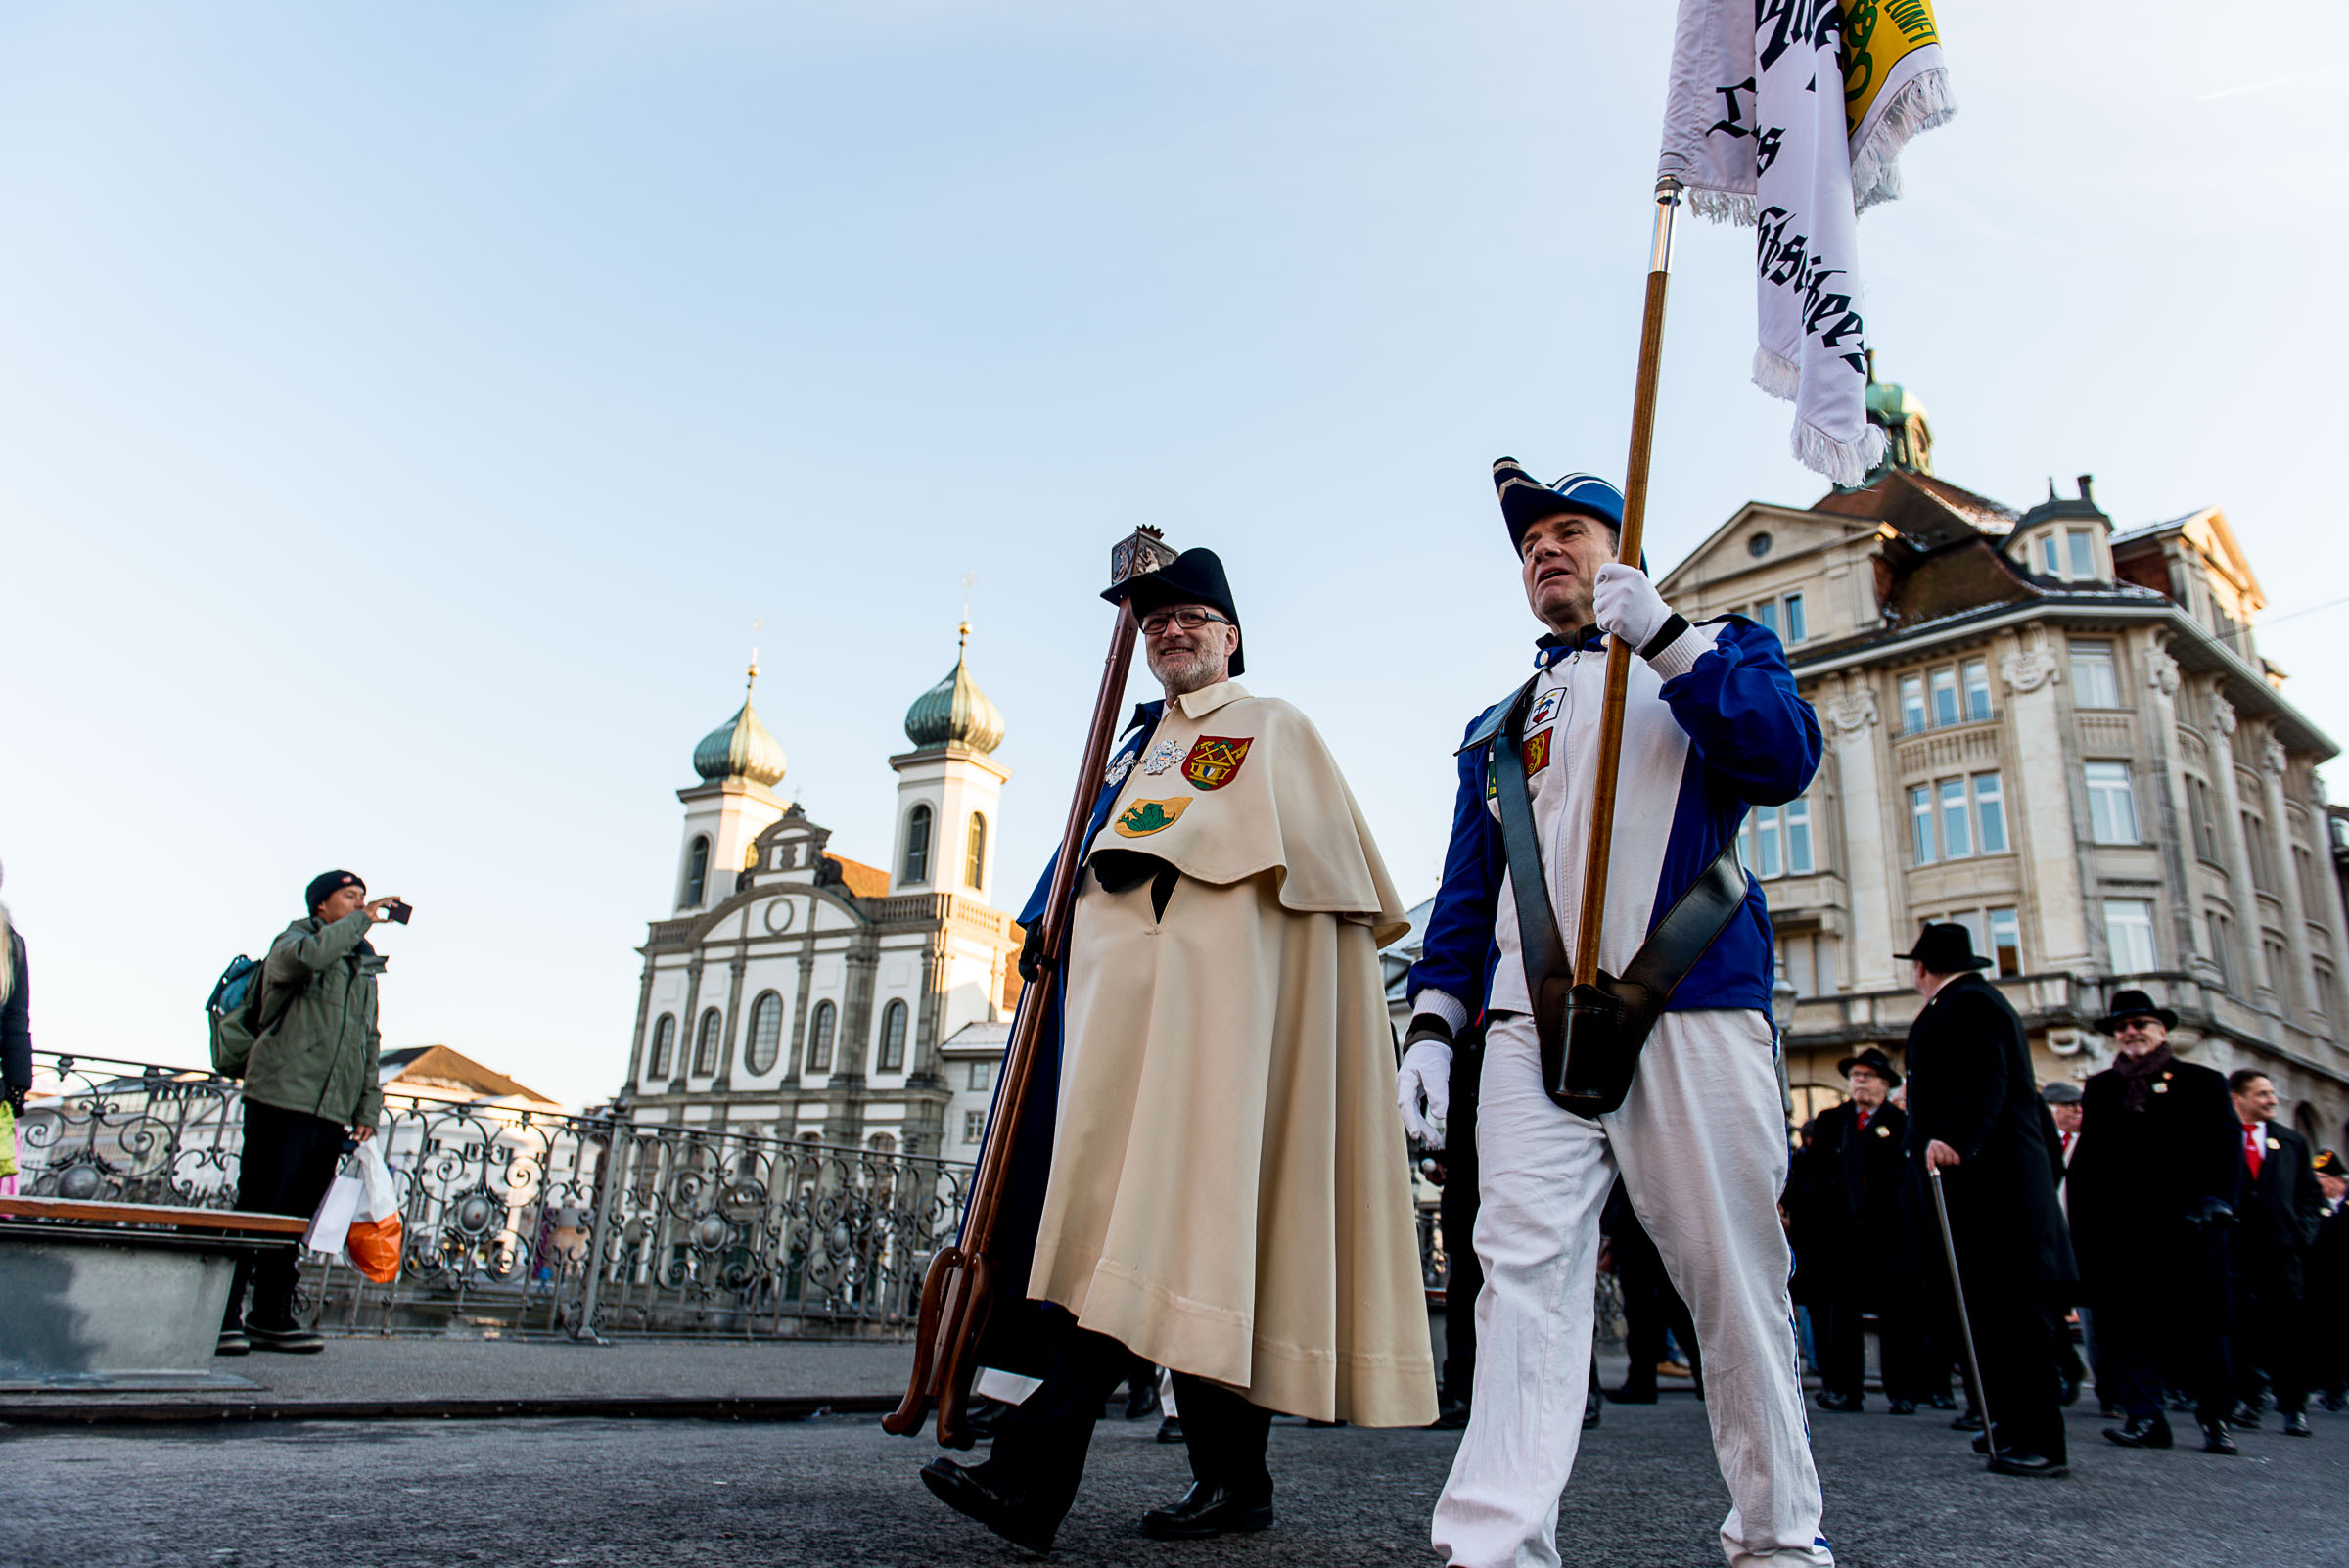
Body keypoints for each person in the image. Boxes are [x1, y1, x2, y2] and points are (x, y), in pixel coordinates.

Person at [918, 549, 1435, 1552]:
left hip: (1213, 1038)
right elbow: (1081, 870)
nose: (1172, 634)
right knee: (1192, 1248)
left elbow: (1320, 903)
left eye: (1193, 618)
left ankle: (1032, 1479)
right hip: (1119, 1035)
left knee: (1147, 1238)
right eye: (1157, 626)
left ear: (1232, 636)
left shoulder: (1269, 728)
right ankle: (1236, 1483)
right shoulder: (1132, 749)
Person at [1397, 460, 1830, 1568]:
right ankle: (1494, 1545)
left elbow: (1782, 760)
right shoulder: (1498, 723)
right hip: (1526, 1020)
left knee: (1732, 1275)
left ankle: (1780, 1538)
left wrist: (1675, 641)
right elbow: (1467, 892)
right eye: (1531, 543)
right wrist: (1436, 1028)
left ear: (1623, 545)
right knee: (1521, 1276)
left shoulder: (1721, 646)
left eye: (1569, 531)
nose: (1545, 550)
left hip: (1689, 997)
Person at [1897, 923, 2075, 1478]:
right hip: (1979, 1186)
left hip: (1993, 1186)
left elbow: (1985, 1080)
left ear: (1923, 969)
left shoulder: (1970, 1004)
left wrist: (1958, 1139)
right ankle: (2009, 1421)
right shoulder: (1967, 1002)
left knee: (2015, 1313)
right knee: (1989, 1313)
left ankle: (2041, 1438)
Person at [218, 870, 398, 1356]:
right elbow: (302, 962)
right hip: (281, 1094)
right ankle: (222, 1314)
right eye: (349, 896)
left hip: (330, 1107)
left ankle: (270, 1315)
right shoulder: (297, 940)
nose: (362, 903)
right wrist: (361, 922)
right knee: (257, 1205)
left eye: (363, 896)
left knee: (297, 1217)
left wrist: (368, 1104)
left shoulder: (362, 967)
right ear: (322, 905)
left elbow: (368, 1038)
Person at [2065, 989, 2240, 1454]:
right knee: (2131, 1329)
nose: (2130, 1032)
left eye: (2140, 1023)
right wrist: (2082, 1230)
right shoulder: (2102, 1087)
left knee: (2203, 1329)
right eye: (2122, 1026)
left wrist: (2217, 1200)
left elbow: (2226, 1149)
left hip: (2189, 1227)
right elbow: (2089, 1164)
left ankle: (2215, 1420)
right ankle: (2146, 1419)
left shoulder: (2202, 1081)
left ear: (2162, 1031)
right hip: (2126, 1233)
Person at [1800, 1048, 1916, 1415]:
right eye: (1855, 1075)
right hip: (1840, 1234)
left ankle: (1902, 1391)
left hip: (1887, 1233)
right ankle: (1844, 1389)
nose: (1860, 1081)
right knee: (1841, 1314)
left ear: (1886, 1084)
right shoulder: (1832, 1120)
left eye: (1868, 1075)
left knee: (1896, 1315)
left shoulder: (1900, 1124)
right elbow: (1813, 1177)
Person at [2225, 1070, 2324, 1437]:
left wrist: (2301, 1233)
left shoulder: (2292, 1142)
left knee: (2286, 1333)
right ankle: (2249, 1401)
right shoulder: (2221, 1138)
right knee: (2240, 1330)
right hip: (2235, 1254)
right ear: (2238, 1098)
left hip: (2281, 1255)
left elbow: (2310, 1196)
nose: (2272, 1100)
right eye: (2262, 1094)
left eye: (2272, 1093)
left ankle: (2293, 1407)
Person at [2310, 1150, 2348, 1412]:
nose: (2317, 1183)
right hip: (2323, 1283)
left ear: (2338, 1180)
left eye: (2321, 1177)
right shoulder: (2315, 1206)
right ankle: (2333, 1388)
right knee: (2328, 1335)